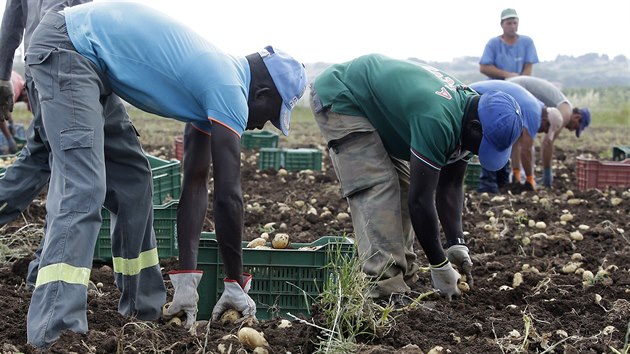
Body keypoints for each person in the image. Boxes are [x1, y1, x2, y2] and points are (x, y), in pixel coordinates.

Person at [25, 1, 306, 347]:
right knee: (84, 189)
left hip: (91, 60)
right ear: (262, 93)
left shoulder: (217, 82)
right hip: (68, 47)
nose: (261, 124)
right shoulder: (230, 90)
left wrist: (187, 281)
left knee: (133, 182)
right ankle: (54, 334)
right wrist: (234, 282)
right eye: (269, 115)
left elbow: (196, 182)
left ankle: (141, 311)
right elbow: (229, 196)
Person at [310, 54, 523, 303]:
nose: (477, 151)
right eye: (482, 145)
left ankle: (405, 277)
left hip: (375, 104)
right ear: (475, 127)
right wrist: (438, 263)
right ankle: (383, 290)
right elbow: (421, 201)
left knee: (404, 184)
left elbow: (451, 185)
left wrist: (456, 242)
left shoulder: (470, 115)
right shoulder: (438, 118)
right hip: (342, 96)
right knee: (379, 186)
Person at [0, 0, 96, 290]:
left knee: (40, 159)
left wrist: (3, 76)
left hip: (38, 65)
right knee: (69, 171)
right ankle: (47, 274)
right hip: (65, 66)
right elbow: (80, 17)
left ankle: (43, 269)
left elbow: (12, 21)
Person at [470, 80, 563, 192]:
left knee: (504, 140)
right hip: (480, 96)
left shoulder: (535, 108)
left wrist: (516, 172)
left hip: (486, 96)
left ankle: (500, 183)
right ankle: (488, 185)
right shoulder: (535, 114)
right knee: (494, 137)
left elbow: (516, 144)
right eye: (545, 129)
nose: (542, 131)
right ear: (545, 121)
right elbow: (526, 150)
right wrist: (530, 178)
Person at [507, 75, 591, 187]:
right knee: (523, 138)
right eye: (575, 127)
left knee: (517, 134)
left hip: (512, 86)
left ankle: (516, 175)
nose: (571, 130)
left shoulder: (563, 106)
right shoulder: (566, 112)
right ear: (577, 117)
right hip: (517, 88)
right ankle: (520, 176)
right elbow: (547, 143)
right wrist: (547, 173)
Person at [479, 8, 539, 80]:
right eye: (509, 23)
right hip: (496, 86)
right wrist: (508, 75)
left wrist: (519, 81)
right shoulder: (493, 43)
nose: (512, 26)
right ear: (502, 25)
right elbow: (483, 68)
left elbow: (528, 67)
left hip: (519, 85)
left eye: (515, 23)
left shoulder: (527, 42)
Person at [0, 71, 28, 153]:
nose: (25, 102)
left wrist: (11, 122)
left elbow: (7, 107)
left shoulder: (18, 81)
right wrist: (8, 137)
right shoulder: (14, 89)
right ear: (24, 93)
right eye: (26, 100)